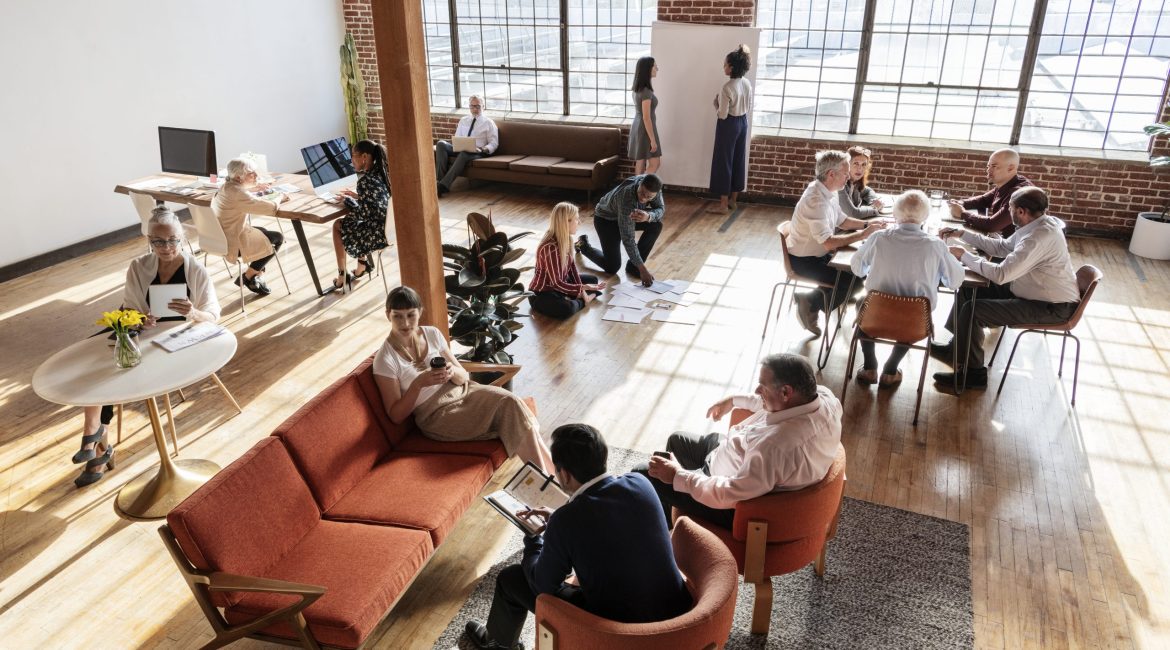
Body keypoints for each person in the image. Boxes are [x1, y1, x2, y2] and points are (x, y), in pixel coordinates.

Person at [464, 423, 693, 650]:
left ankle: (496, 645)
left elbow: (542, 585)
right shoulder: (641, 482)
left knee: (511, 578)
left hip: (621, 631)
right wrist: (557, 522)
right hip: (677, 615)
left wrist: (533, 536)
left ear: (564, 474)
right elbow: (608, 523)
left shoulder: (567, 520)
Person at [72, 206, 221, 488]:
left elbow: (213, 315)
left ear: (182, 237)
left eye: (173, 240)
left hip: (178, 337)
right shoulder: (138, 267)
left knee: (114, 368)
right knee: (94, 363)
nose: (166, 248)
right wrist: (142, 318)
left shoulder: (196, 271)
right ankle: (93, 435)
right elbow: (130, 306)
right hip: (141, 329)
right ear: (148, 240)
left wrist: (193, 313)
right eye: (158, 241)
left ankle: (98, 445)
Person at [635, 354, 842, 529]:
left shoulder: (775, 447)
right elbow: (770, 402)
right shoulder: (826, 400)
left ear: (786, 392)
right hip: (731, 455)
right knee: (677, 440)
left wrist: (678, 477)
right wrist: (734, 400)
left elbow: (730, 493)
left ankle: (660, 536)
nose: (757, 391)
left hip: (724, 499)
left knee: (645, 472)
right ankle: (668, 524)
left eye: (762, 386)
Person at [372, 286, 553, 472]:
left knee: (513, 403)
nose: (406, 323)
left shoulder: (432, 334)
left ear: (420, 312)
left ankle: (553, 481)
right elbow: (395, 415)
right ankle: (549, 485)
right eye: (398, 316)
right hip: (436, 415)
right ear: (388, 315)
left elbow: (463, 377)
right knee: (513, 412)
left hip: (465, 392)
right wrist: (418, 384)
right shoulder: (385, 359)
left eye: (411, 315)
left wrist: (452, 372)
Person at [933, 186, 1080, 390]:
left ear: (1021, 211)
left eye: (1010, 208)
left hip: (1050, 306)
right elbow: (1003, 247)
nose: (1008, 212)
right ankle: (955, 349)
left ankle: (974, 374)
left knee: (974, 310)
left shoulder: (1037, 238)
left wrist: (963, 255)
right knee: (969, 290)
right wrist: (962, 233)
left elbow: (1002, 275)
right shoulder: (1037, 225)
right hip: (1031, 289)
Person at [849, 190, 965, 387]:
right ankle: (891, 369)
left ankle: (869, 366)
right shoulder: (936, 245)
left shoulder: (878, 238)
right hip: (915, 322)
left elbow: (857, 268)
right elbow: (955, 281)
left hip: (874, 316)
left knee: (862, 304)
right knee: (913, 312)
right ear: (926, 217)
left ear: (895, 214)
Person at [787, 150, 886, 337]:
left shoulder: (828, 191)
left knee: (859, 272)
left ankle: (810, 302)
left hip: (816, 255)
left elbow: (842, 220)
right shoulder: (816, 200)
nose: (849, 177)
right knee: (853, 282)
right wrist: (863, 234)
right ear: (831, 174)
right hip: (803, 260)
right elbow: (828, 243)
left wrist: (868, 224)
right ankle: (810, 303)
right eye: (845, 173)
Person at [212, 158, 288, 296]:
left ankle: (256, 276)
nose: (256, 176)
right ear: (238, 177)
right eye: (251, 173)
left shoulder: (225, 187)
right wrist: (280, 197)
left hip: (220, 237)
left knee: (263, 231)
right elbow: (268, 208)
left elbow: (238, 195)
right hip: (231, 243)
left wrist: (252, 188)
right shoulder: (238, 193)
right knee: (277, 238)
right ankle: (248, 277)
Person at [575, 173, 665, 287]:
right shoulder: (626, 197)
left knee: (656, 225)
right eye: (642, 193)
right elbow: (628, 239)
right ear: (640, 183)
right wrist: (643, 269)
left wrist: (648, 216)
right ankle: (583, 245)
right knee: (612, 267)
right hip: (606, 220)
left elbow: (661, 209)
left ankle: (633, 266)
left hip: (626, 216)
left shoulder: (654, 188)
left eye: (649, 197)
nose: (643, 198)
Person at [329, 139, 391, 292]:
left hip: (377, 235)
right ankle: (361, 266)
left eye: (353, 155)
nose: (351, 160)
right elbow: (376, 202)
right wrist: (359, 197)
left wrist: (348, 201)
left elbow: (363, 213)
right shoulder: (381, 173)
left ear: (364, 157)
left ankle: (342, 277)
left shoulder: (365, 182)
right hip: (389, 230)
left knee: (339, 225)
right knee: (356, 224)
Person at [529, 202, 607, 319]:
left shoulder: (567, 239)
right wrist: (583, 289)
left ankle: (575, 297)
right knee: (567, 309)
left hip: (560, 285)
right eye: (576, 219)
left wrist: (582, 289)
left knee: (593, 280)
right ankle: (578, 301)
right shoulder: (551, 248)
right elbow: (557, 284)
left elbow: (572, 269)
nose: (579, 223)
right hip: (543, 293)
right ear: (566, 222)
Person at [708, 44, 753, 214]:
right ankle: (733, 201)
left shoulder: (727, 87)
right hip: (743, 123)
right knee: (738, 160)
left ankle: (722, 206)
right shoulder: (746, 83)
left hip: (729, 125)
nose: (723, 67)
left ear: (732, 67)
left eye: (725, 64)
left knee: (723, 162)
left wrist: (717, 104)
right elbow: (748, 107)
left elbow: (722, 115)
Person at [947, 148, 1032, 236]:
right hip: (1004, 242)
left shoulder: (1020, 193)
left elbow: (992, 225)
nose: (988, 170)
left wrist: (962, 213)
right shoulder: (1006, 182)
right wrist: (961, 203)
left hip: (1014, 247)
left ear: (1010, 168)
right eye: (988, 166)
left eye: (994, 166)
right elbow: (984, 200)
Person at [435, 94, 499, 196]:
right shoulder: (463, 120)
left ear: (483, 106)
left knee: (464, 154)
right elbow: (457, 137)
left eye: (477, 106)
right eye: (472, 106)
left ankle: (443, 186)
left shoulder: (489, 123)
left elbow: (494, 143)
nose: (474, 109)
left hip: (478, 152)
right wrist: (457, 144)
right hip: (461, 148)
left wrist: (483, 149)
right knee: (441, 144)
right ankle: (439, 181)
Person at [628, 56, 662, 175]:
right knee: (655, 163)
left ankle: (637, 191)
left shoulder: (637, 88)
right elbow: (646, 117)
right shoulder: (646, 91)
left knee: (640, 161)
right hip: (645, 127)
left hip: (638, 126)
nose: (657, 68)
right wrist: (653, 140)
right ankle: (640, 189)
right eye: (654, 66)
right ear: (648, 69)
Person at [839, 145, 884, 220]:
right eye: (856, 163)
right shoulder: (839, 184)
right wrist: (874, 208)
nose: (860, 168)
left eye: (864, 164)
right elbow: (853, 214)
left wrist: (873, 201)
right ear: (847, 164)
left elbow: (868, 191)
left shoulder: (854, 182)